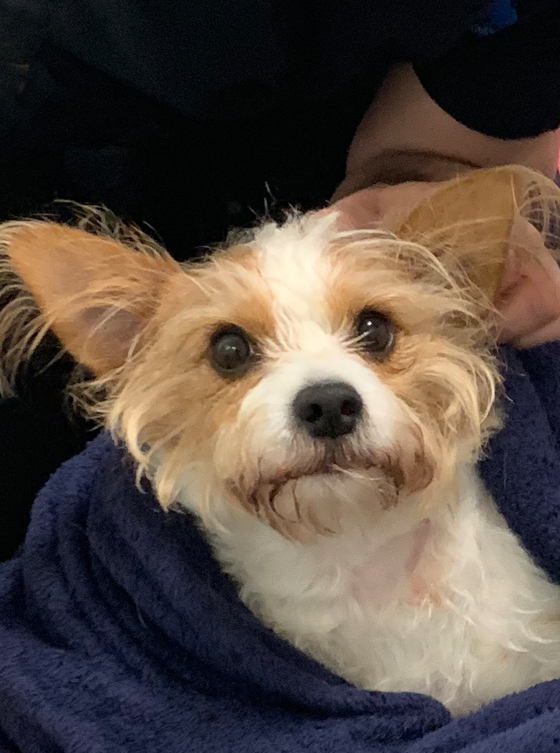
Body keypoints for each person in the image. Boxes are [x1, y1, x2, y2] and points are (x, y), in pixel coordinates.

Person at [0, 0, 559, 559]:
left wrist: (422, 187)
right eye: (232, 351)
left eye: (372, 333)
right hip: (63, 114)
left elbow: (481, 110)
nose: (325, 398)